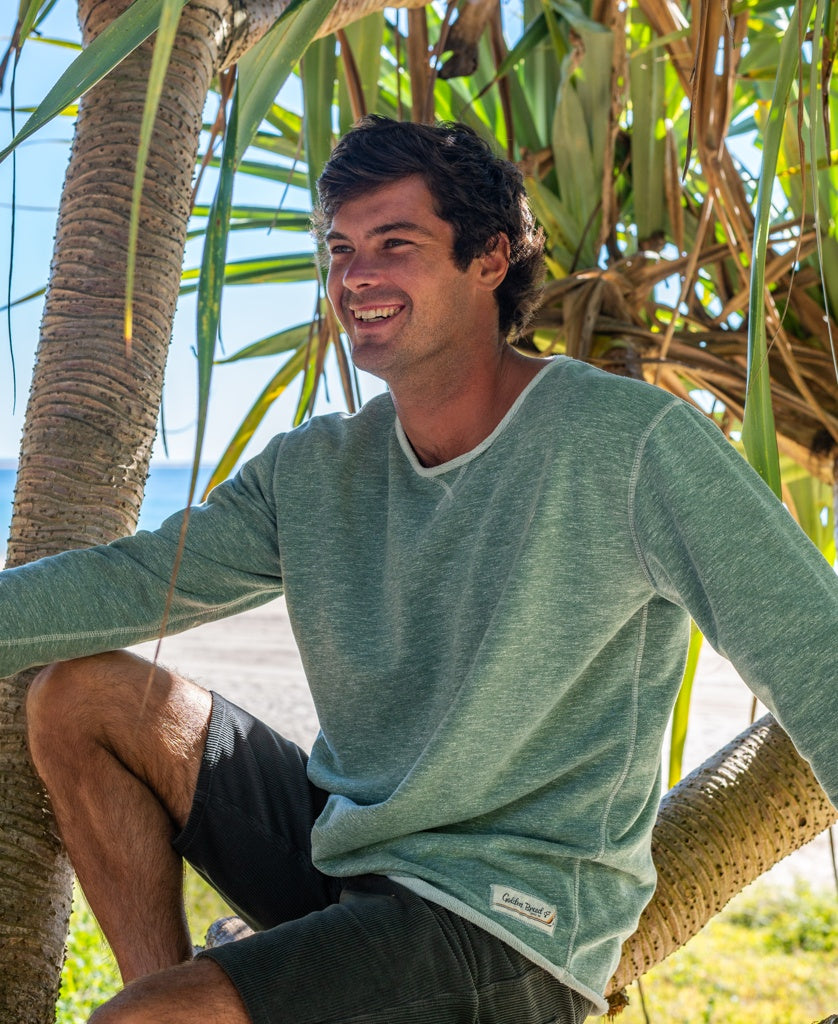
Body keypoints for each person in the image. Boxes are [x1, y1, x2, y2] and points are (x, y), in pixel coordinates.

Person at [8, 115, 838, 1023]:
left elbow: (814, 653)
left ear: (489, 259)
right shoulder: (315, 468)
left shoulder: (630, 444)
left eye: (395, 244)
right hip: (347, 849)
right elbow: (129, 585)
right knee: (78, 695)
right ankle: (174, 1001)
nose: (356, 276)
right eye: (341, 248)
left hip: (507, 919)